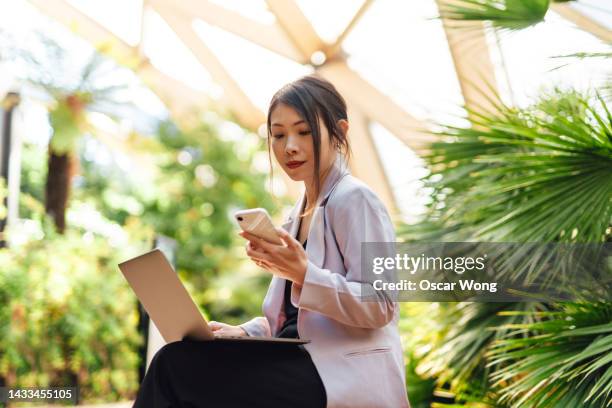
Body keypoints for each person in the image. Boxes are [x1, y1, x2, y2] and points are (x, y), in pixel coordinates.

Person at [133, 75, 410, 408]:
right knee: (178, 357)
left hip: (338, 372)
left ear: (340, 132)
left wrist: (304, 275)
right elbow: (290, 324)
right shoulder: (296, 216)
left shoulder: (356, 199)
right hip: (303, 363)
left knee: (174, 367)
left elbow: (381, 304)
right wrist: (244, 332)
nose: (289, 146)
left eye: (304, 132)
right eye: (278, 135)